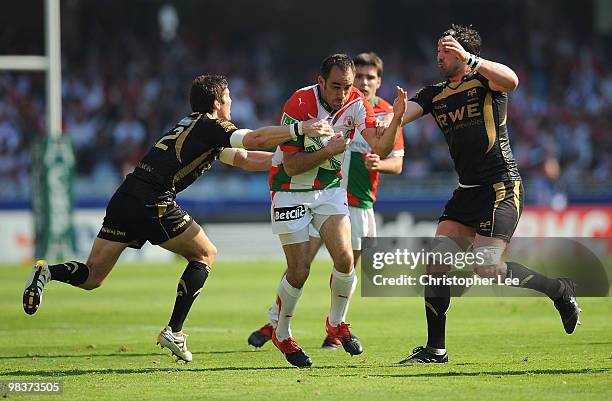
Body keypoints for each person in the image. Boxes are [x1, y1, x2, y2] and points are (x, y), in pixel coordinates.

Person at [22, 74, 335, 363]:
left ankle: (46, 272)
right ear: (216, 103)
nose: (231, 102)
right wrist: (300, 129)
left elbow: (243, 158)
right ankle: (174, 330)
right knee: (205, 253)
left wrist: (291, 160)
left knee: (93, 276)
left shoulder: (191, 124)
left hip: (126, 195)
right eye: (227, 97)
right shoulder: (213, 125)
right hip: (154, 200)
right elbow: (253, 140)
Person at [397, 25, 581, 364]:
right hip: (467, 191)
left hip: (500, 186)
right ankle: (435, 350)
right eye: (438, 50)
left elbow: (512, 80)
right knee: (436, 263)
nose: (438, 56)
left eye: (446, 50)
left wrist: (472, 59)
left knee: (487, 268)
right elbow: (400, 117)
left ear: (463, 54)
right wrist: (389, 119)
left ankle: (559, 290)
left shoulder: (486, 82)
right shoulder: (433, 93)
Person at [247, 52, 405, 351]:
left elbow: (381, 148)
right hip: (290, 188)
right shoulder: (300, 103)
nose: (343, 94)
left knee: (345, 261)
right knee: (299, 269)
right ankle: (279, 328)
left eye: (348, 86)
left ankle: (335, 325)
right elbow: (291, 166)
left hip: (334, 192)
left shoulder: (358, 102)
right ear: (320, 81)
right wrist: (328, 151)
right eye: (336, 87)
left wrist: (396, 117)